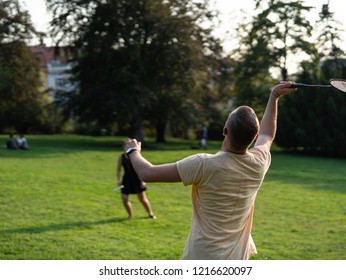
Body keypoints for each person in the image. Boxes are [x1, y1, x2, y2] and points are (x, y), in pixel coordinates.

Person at [122, 81, 296, 259]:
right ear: (254, 138)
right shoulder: (259, 162)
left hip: (202, 256)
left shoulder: (203, 164)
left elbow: (147, 173)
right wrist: (274, 96)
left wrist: (132, 150)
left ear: (225, 131)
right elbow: (268, 135)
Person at [116, 139, 156, 219]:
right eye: (126, 145)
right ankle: (130, 215)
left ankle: (150, 213)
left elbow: (143, 169)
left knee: (142, 198)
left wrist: (143, 181)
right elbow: (118, 169)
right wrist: (119, 180)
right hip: (126, 179)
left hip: (137, 179)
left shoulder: (136, 156)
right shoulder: (122, 157)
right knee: (124, 198)